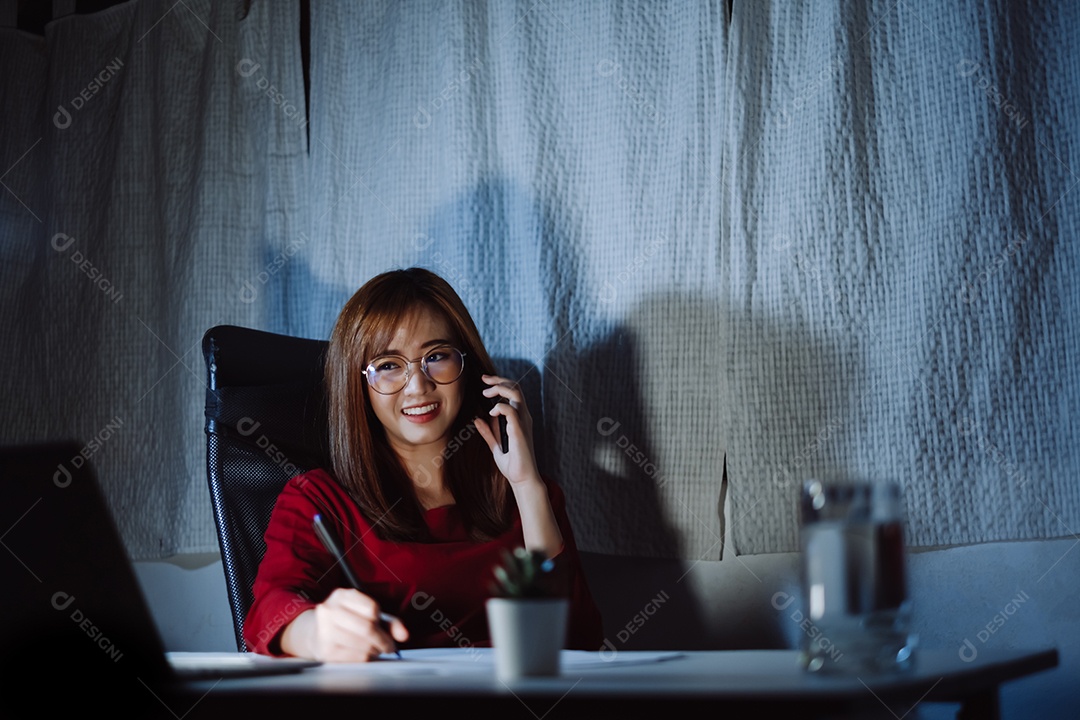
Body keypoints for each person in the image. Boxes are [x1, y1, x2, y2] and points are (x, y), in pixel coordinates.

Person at [244, 267, 603, 661]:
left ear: (467, 368)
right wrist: (312, 631)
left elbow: (580, 640)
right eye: (388, 365)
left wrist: (526, 485)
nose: (418, 386)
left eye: (436, 357)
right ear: (357, 384)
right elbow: (268, 612)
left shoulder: (529, 493)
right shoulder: (317, 501)